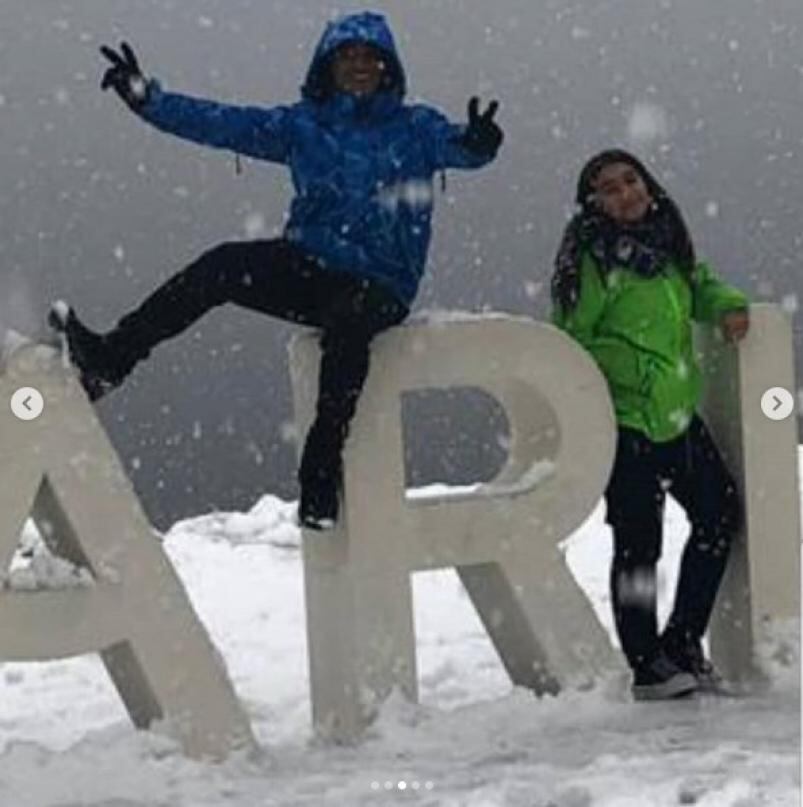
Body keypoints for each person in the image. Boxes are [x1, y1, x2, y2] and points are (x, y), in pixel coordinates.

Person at [52, 11, 503, 530]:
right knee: (221, 265)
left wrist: (481, 140)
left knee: (349, 327)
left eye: (368, 56)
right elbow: (222, 123)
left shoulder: (416, 127)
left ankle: (321, 472)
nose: (358, 65)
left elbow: (465, 149)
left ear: (386, 66)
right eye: (347, 56)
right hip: (309, 265)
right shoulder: (301, 126)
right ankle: (111, 360)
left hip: (380, 281)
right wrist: (148, 100)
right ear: (328, 65)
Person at [551, 149, 749, 701]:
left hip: (678, 415)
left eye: (630, 180)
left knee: (718, 514)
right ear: (593, 204)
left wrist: (729, 305)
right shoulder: (589, 260)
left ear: (648, 184)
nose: (625, 193)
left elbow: (700, 284)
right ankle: (646, 664)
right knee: (640, 545)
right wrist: (633, 370)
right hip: (627, 421)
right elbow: (573, 337)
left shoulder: (667, 243)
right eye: (608, 188)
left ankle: (683, 639)